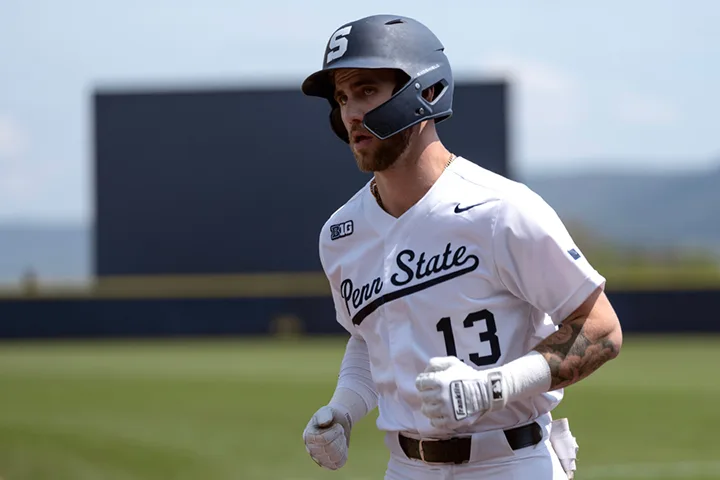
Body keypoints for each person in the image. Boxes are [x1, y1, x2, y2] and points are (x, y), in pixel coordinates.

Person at [300, 13, 623, 480]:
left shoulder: (499, 208)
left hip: (512, 461)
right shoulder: (341, 233)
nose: (350, 113)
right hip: (406, 467)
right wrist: (344, 407)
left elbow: (601, 330)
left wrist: (493, 386)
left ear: (426, 91)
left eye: (367, 90)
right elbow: (369, 339)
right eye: (343, 98)